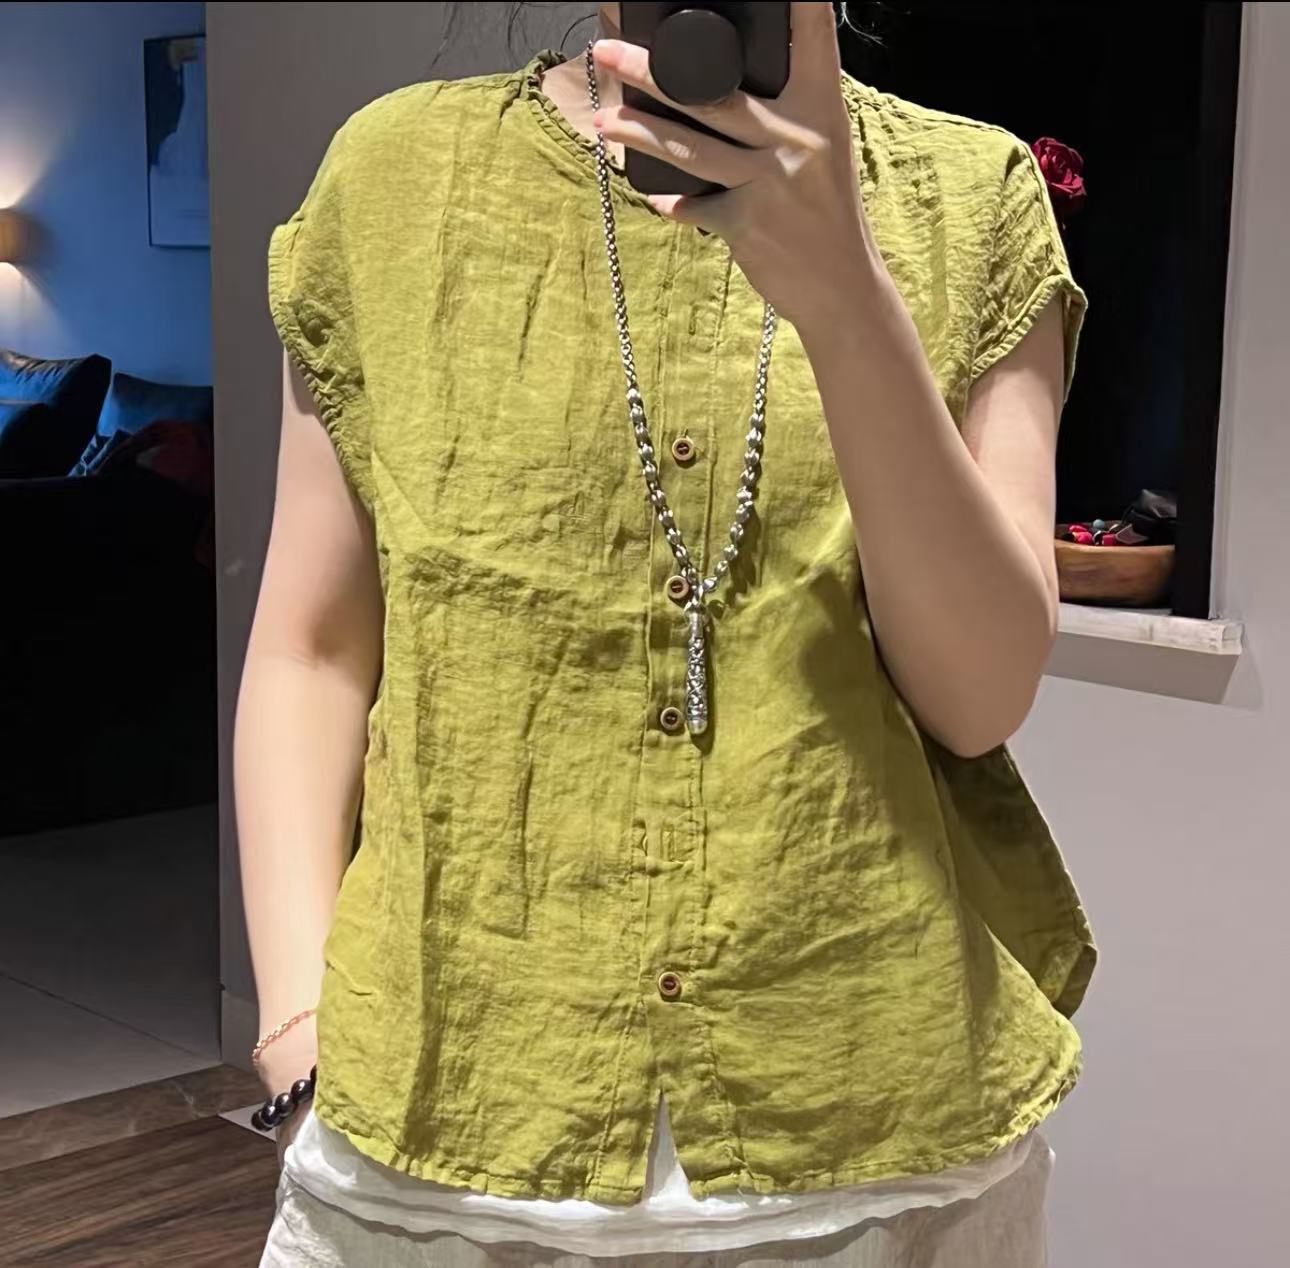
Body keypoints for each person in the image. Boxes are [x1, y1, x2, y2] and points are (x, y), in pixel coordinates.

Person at [237, 3, 1098, 1264]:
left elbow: (980, 695)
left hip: (878, 1161)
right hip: (426, 1151)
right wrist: (295, 1033)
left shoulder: (971, 196)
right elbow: (310, 650)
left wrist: (847, 296)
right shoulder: (391, 178)